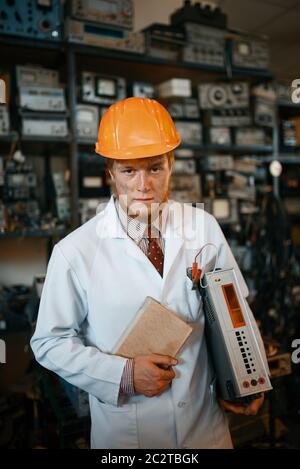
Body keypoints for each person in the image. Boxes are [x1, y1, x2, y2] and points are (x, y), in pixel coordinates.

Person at [31, 97, 267, 449]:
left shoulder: (203, 227)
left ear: (171, 165)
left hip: (205, 428)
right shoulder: (75, 251)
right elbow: (49, 343)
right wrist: (123, 375)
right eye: (129, 171)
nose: (143, 185)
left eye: (155, 168)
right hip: (130, 436)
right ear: (110, 173)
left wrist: (248, 377)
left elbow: (237, 312)